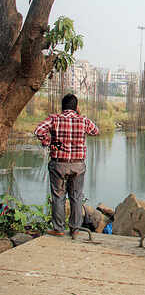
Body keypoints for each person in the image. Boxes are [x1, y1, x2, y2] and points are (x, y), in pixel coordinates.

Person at [34, 93, 99, 239]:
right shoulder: (83, 120)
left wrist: (51, 142)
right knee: (76, 197)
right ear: (76, 107)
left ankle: (58, 228)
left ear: (62, 106)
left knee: (58, 197)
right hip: (78, 165)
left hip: (59, 164)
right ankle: (75, 229)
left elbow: (38, 131)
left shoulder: (54, 119)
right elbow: (96, 131)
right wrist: (80, 117)